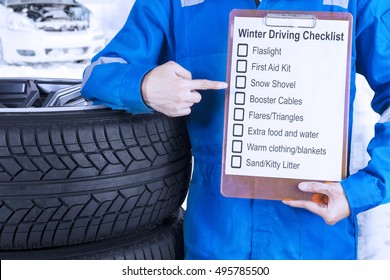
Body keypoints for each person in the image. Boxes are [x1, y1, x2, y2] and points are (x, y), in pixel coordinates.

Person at [81, 0, 390, 259]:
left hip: (315, 242)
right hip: (216, 241)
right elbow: (99, 72)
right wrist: (144, 85)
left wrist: (362, 191)